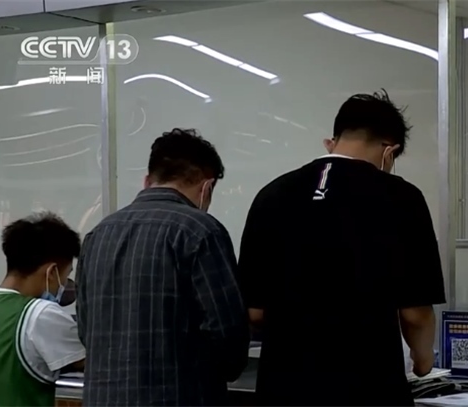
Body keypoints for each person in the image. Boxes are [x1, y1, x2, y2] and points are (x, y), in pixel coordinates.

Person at [238, 91, 445, 406]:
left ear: (333, 141)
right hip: (368, 388)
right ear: (389, 151)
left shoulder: (271, 195)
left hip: (283, 387)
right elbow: (415, 314)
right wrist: (423, 361)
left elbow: (255, 311)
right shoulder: (401, 198)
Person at [76, 128, 250, 406]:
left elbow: (86, 329)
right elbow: (227, 332)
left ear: (147, 181)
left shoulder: (98, 234)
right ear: (207, 187)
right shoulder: (200, 231)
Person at [0, 212, 85, 406]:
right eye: (66, 276)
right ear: (51, 272)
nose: (66, 284)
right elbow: (95, 362)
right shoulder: (41, 314)